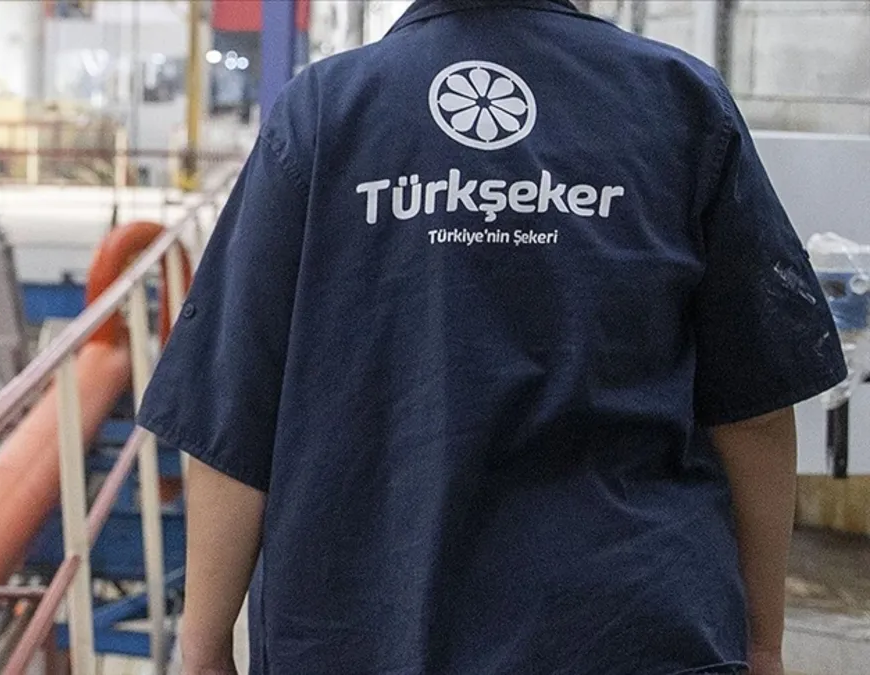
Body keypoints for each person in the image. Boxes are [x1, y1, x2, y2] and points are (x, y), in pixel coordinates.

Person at [137, 1, 849, 673]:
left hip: (367, 631)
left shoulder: (324, 114)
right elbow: (753, 409)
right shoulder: (681, 101)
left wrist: (202, 648)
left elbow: (234, 410)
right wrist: (762, 641)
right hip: (631, 627)